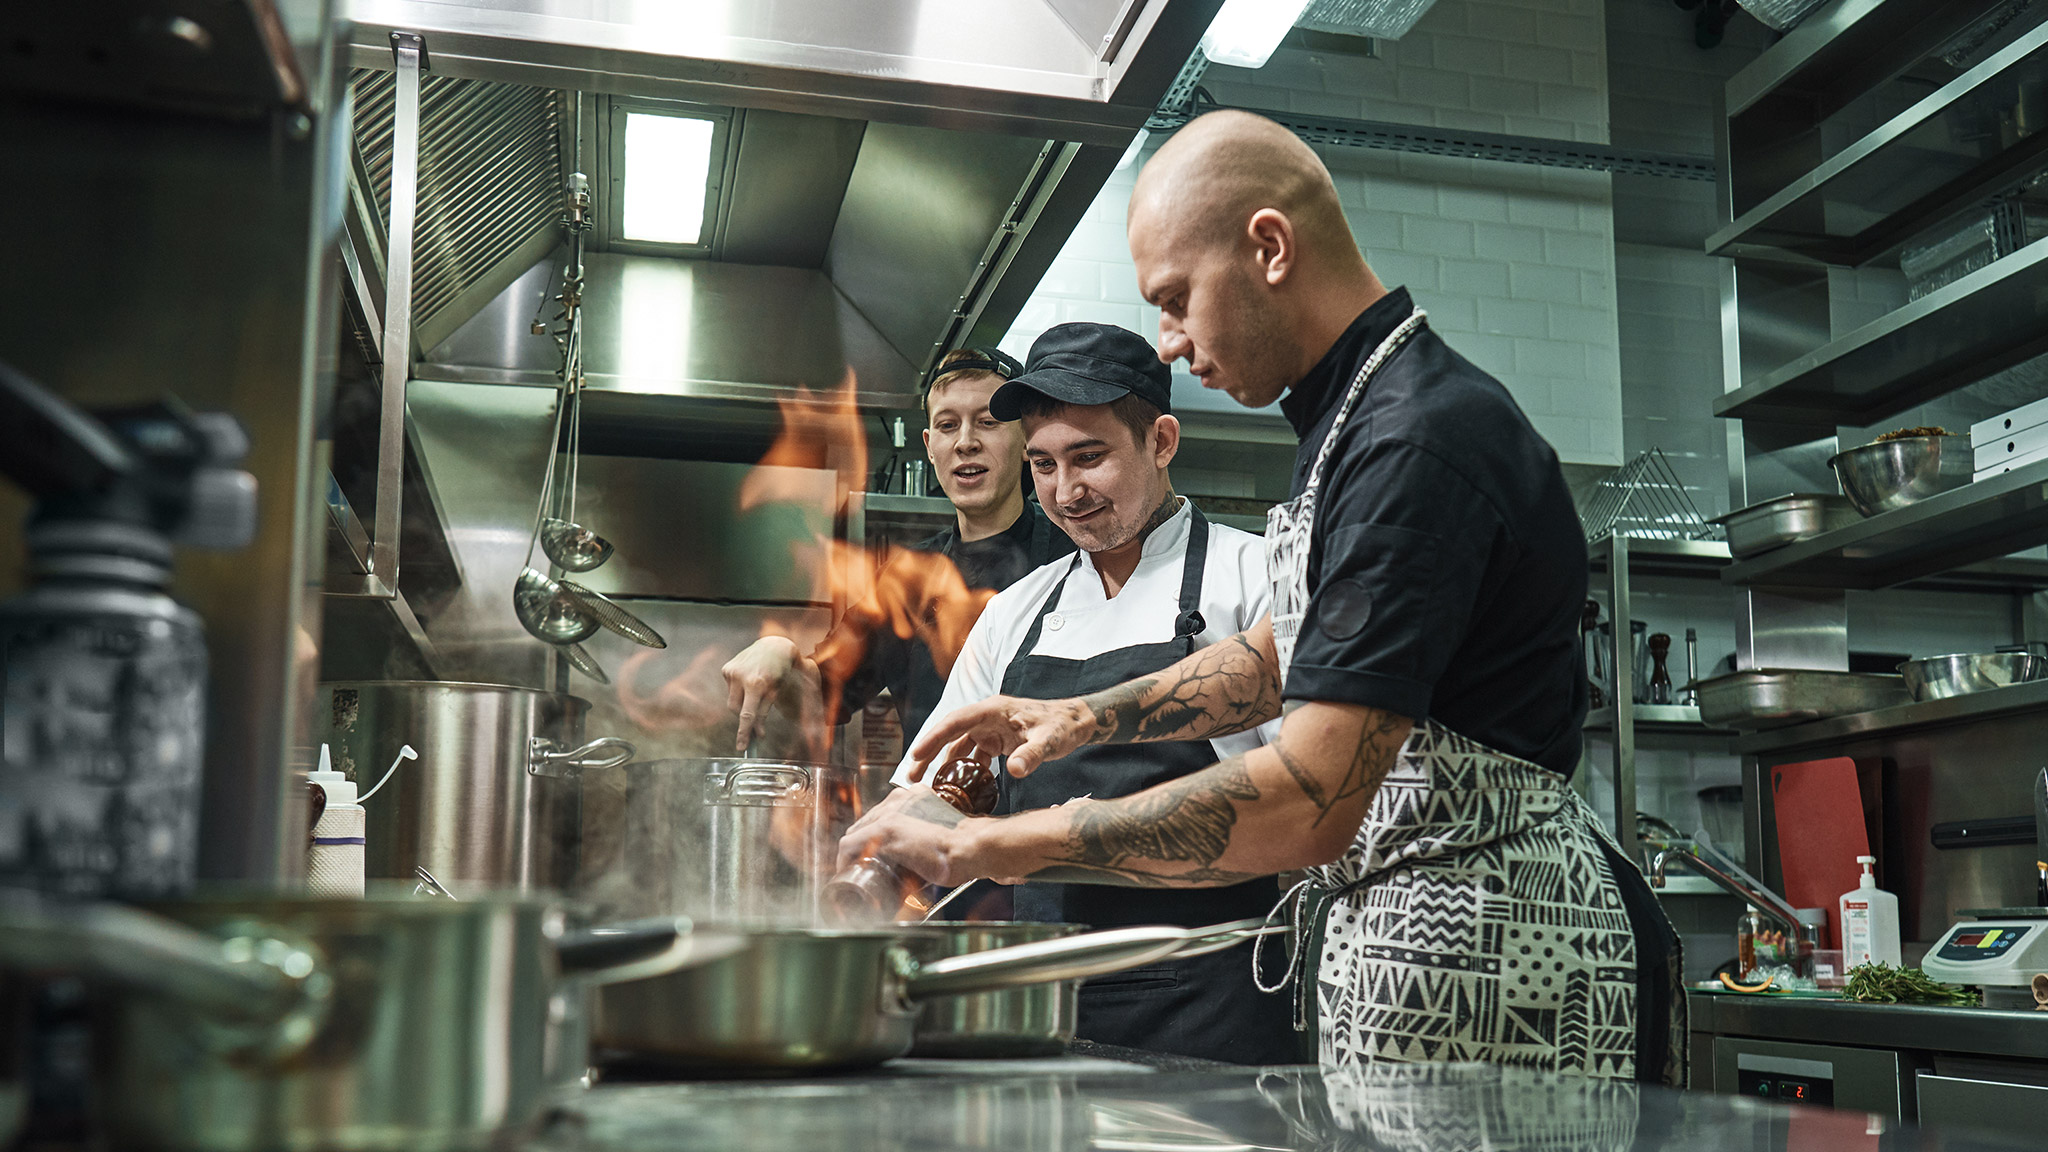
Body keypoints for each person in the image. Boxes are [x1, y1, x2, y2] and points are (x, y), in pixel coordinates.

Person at [839, 110, 1684, 1083]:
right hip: (1401, 925)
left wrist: (993, 845)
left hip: (1485, 946)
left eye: (1174, 298)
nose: (1171, 338)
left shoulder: (1413, 439)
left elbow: (1309, 799)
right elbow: (1290, 654)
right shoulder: (1360, 417)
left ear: (1268, 248)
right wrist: (1084, 717)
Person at [874, 321, 1297, 1065]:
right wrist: (875, 861)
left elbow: (1301, 803)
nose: (1065, 494)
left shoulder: (1256, 579)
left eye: (1089, 458)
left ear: (1161, 442)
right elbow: (937, 786)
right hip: (1045, 1002)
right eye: (1041, 465)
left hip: (1216, 1001)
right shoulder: (1017, 612)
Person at [722, 348, 1072, 752]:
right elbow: (820, 696)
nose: (965, 442)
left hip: (1052, 811)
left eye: (988, 422)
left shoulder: (1076, 557)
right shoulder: (904, 578)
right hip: (931, 809)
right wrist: (779, 654)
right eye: (947, 425)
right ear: (929, 444)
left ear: (1027, 440)